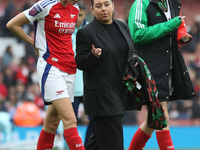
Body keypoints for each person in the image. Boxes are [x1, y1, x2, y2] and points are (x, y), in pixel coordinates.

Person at [6, 0, 85, 150]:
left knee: (52, 123)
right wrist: (33, 43)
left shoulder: (74, 8)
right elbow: (12, 24)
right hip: (51, 67)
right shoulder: (45, 5)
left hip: (69, 68)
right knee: (70, 119)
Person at [128, 0, 196, 150]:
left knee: (153, 121)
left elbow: (179, 25)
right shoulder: (141, 3)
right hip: (149, 68)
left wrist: (182, 35)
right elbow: (137, 35)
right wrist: (170, 25)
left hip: (168, 67)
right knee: (162, 117)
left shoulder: (171, 3)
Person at [75, 0, 137, 149]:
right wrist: (92, 56)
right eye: (98, 6)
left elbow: (130, 50)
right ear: (92, 10)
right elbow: (80, 62)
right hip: (101, 96)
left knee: (98, 140)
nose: (104, 9)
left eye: (106, 4)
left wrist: (135, 61)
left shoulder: (122, 26)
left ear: (113, 6)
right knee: (114, 142)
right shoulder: (86, 32)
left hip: (120, 92)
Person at [71, 1, 94, 147]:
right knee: (70, 121)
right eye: (74, 15)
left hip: (88, 85)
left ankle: (87, 146)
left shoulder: (91, 32)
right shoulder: (65, 32)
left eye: (79, 15)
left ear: (86, 13)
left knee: (94, 119)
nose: (76, 18)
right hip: (71, 86)